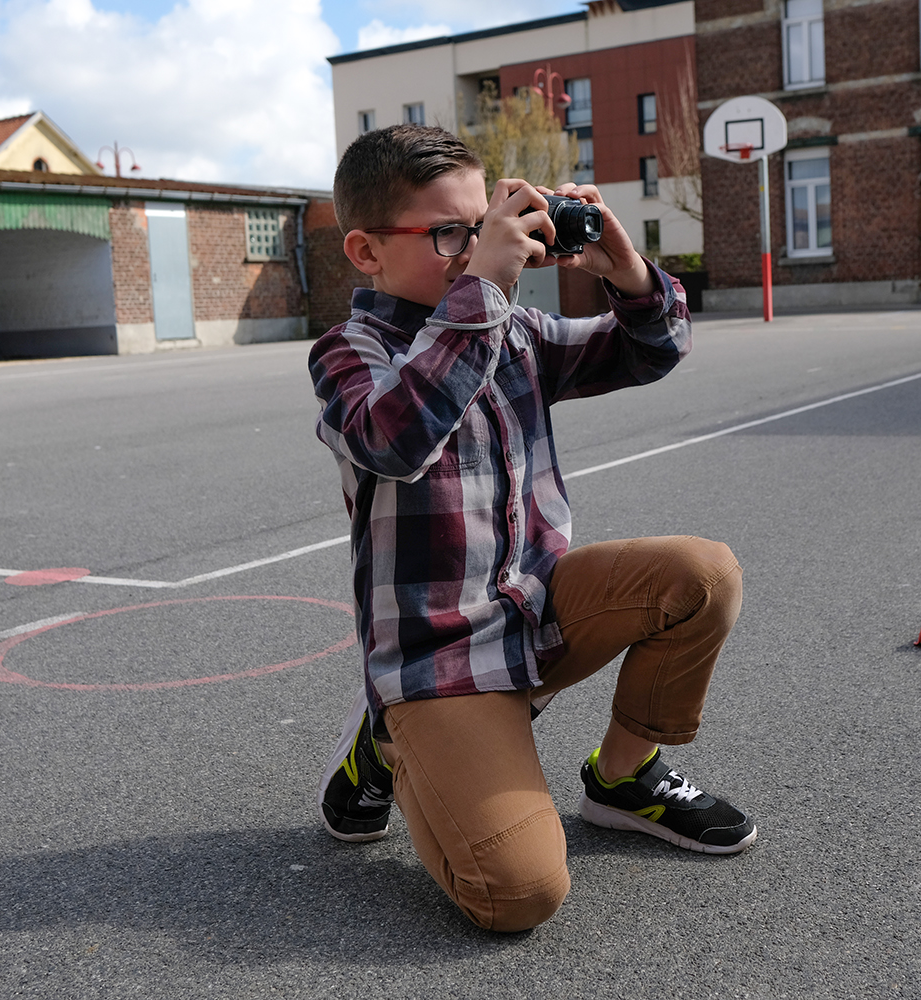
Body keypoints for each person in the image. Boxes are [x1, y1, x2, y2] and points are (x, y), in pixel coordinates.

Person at [309, 124, 754, 933]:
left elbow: (651, 352)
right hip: (440, 659)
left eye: (479, 226)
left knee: (704, 574)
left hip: (536, 611)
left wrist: (625, 270)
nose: (475, 246)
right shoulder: (349, 351)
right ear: (366, 252)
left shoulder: (516, 332)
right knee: (518, 894)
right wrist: (481, 286)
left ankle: (622, 777)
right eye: (450, 232)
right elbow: (394, 438)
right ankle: (385, 744)